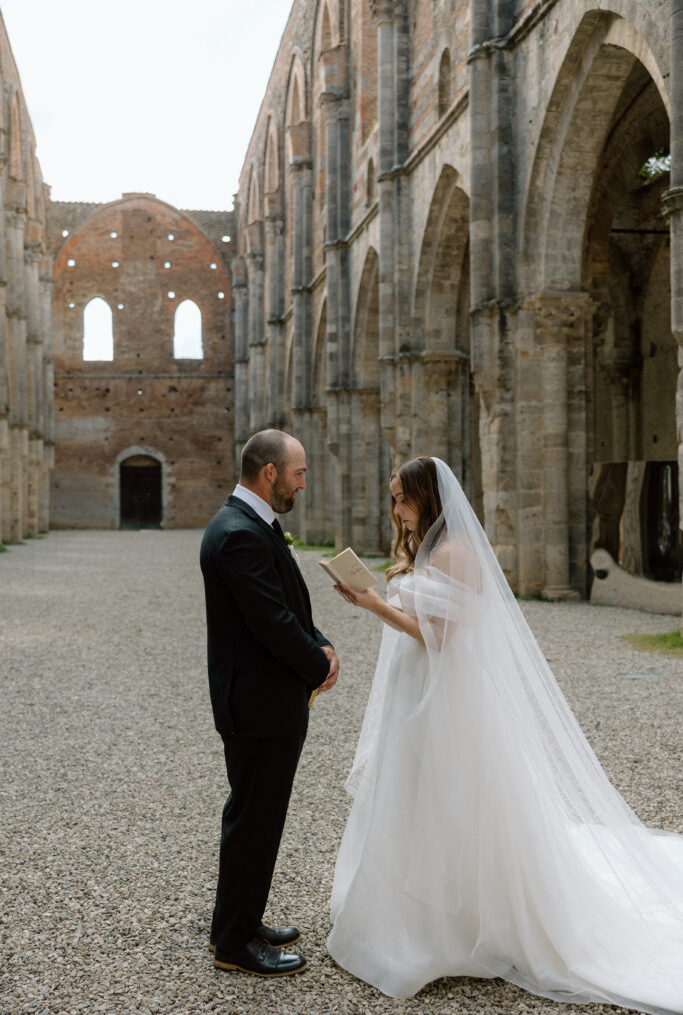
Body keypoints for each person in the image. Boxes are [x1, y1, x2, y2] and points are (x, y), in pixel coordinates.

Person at [327, 456, 683, 1013]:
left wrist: (375, 604)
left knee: (455, 798)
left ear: (427, 496)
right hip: (417, 690)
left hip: (449, 696)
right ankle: (405, 915)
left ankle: (458, 923)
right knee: (412, 793)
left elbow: (440, 639)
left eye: (401, 497)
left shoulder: (457, 553)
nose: (395, 509)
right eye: (393, 497)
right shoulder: (425, 546)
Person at [200, 429, 339, 978]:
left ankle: (240, 923)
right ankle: (235, 945)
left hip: (263, 699)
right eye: (299, 473)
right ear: (270, 473)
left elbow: (287, 604)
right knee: (254, 822)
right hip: (259, 705)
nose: (303, 483)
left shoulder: (249, 523)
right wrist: (318, 663)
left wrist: (319, 641)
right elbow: (271, 623)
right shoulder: (239, 533)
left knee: (256, 818)